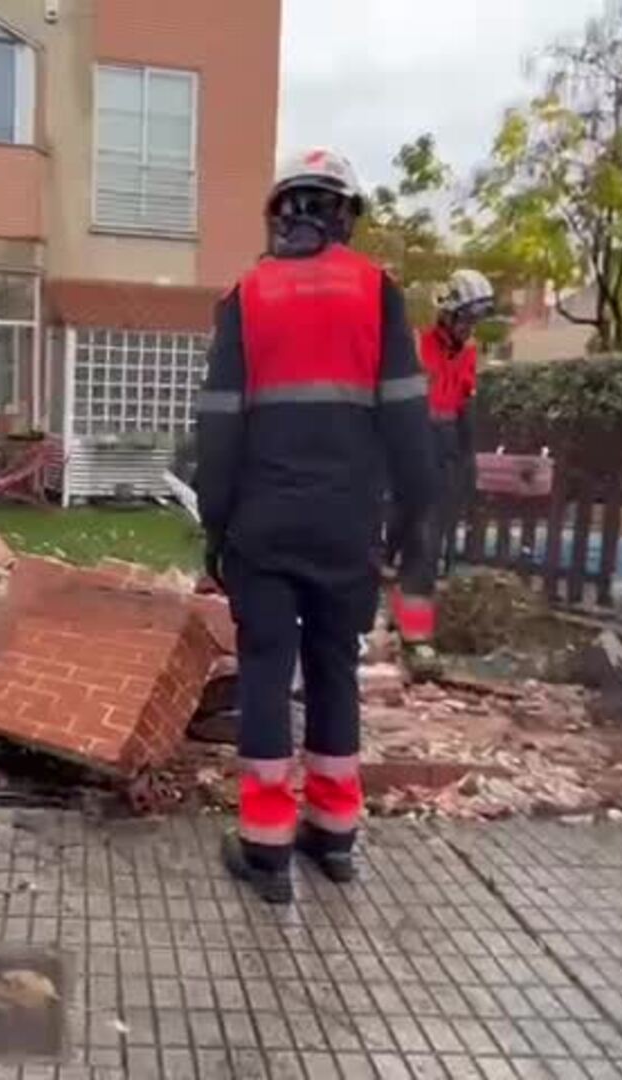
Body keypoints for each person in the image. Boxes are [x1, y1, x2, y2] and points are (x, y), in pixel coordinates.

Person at [195, 146, 439, 903]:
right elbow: (407, 415)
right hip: (347, 527)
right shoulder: (378, 291)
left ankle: (267, 852)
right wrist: (414, 509)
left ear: (282, 213)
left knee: (268, 671)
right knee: (335, 669)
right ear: (345, 215)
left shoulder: (248, 294)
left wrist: (216, 521)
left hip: (264, 525)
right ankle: (334, 839)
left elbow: (220, 425)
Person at [420, 268, 493, 569]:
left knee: (443, 515)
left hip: (447, 441)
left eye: (474, 322)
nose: (470, 328)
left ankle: (436, 573)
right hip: (417, 440)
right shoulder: (420, 345)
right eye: (466, 320)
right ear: (448, 314)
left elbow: (464, 401)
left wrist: (468, 455)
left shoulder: (469, 353)